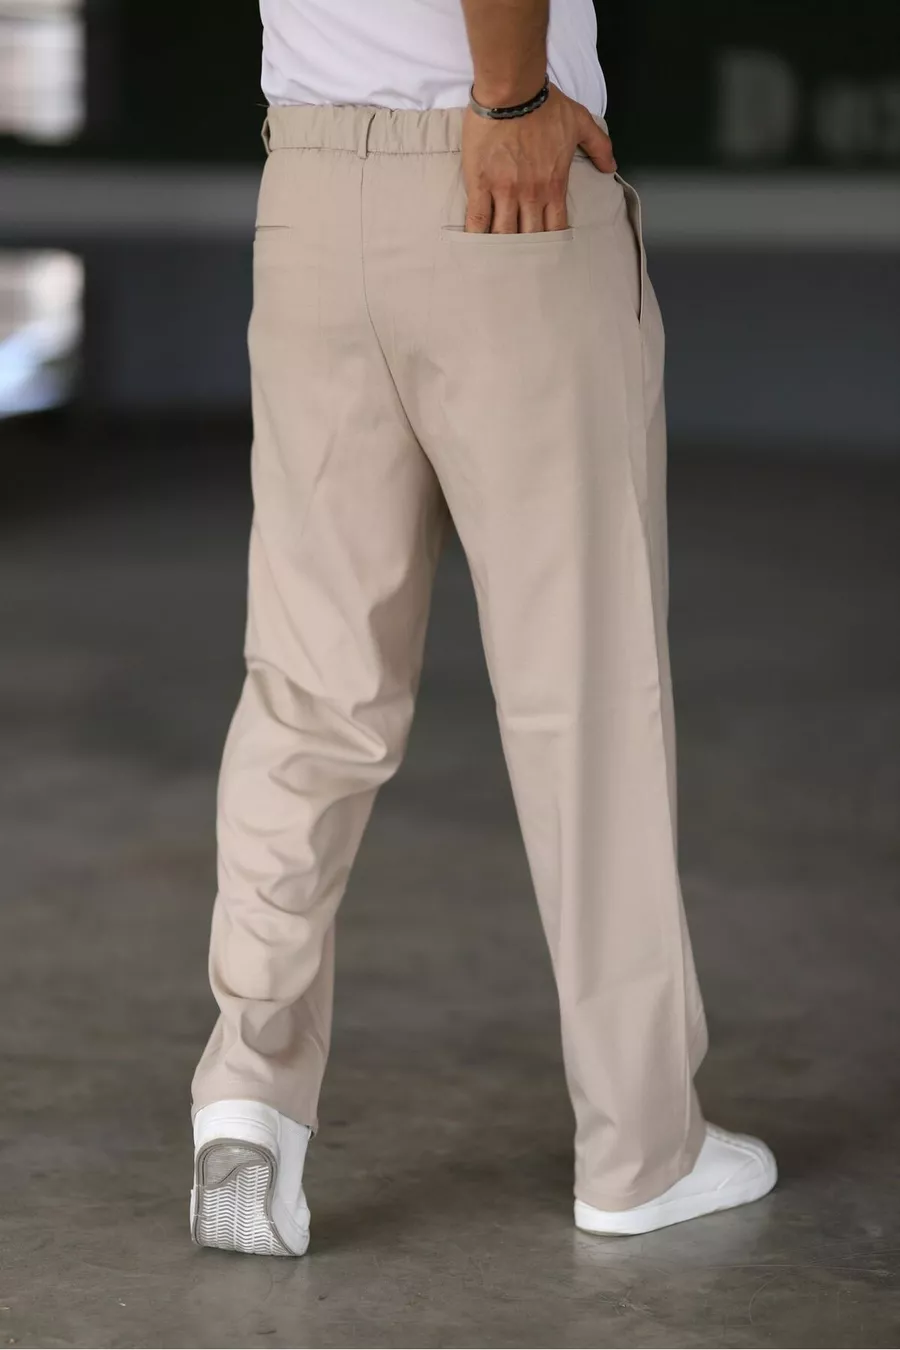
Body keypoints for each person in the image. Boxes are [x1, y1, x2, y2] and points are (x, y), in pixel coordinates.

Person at [189, 0, 777, 1257]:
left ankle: (248, 1099)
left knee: (309, 686)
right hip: (494, 176)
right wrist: (510, 99)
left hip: (307, 188)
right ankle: (639, 1149)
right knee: (585, 691)